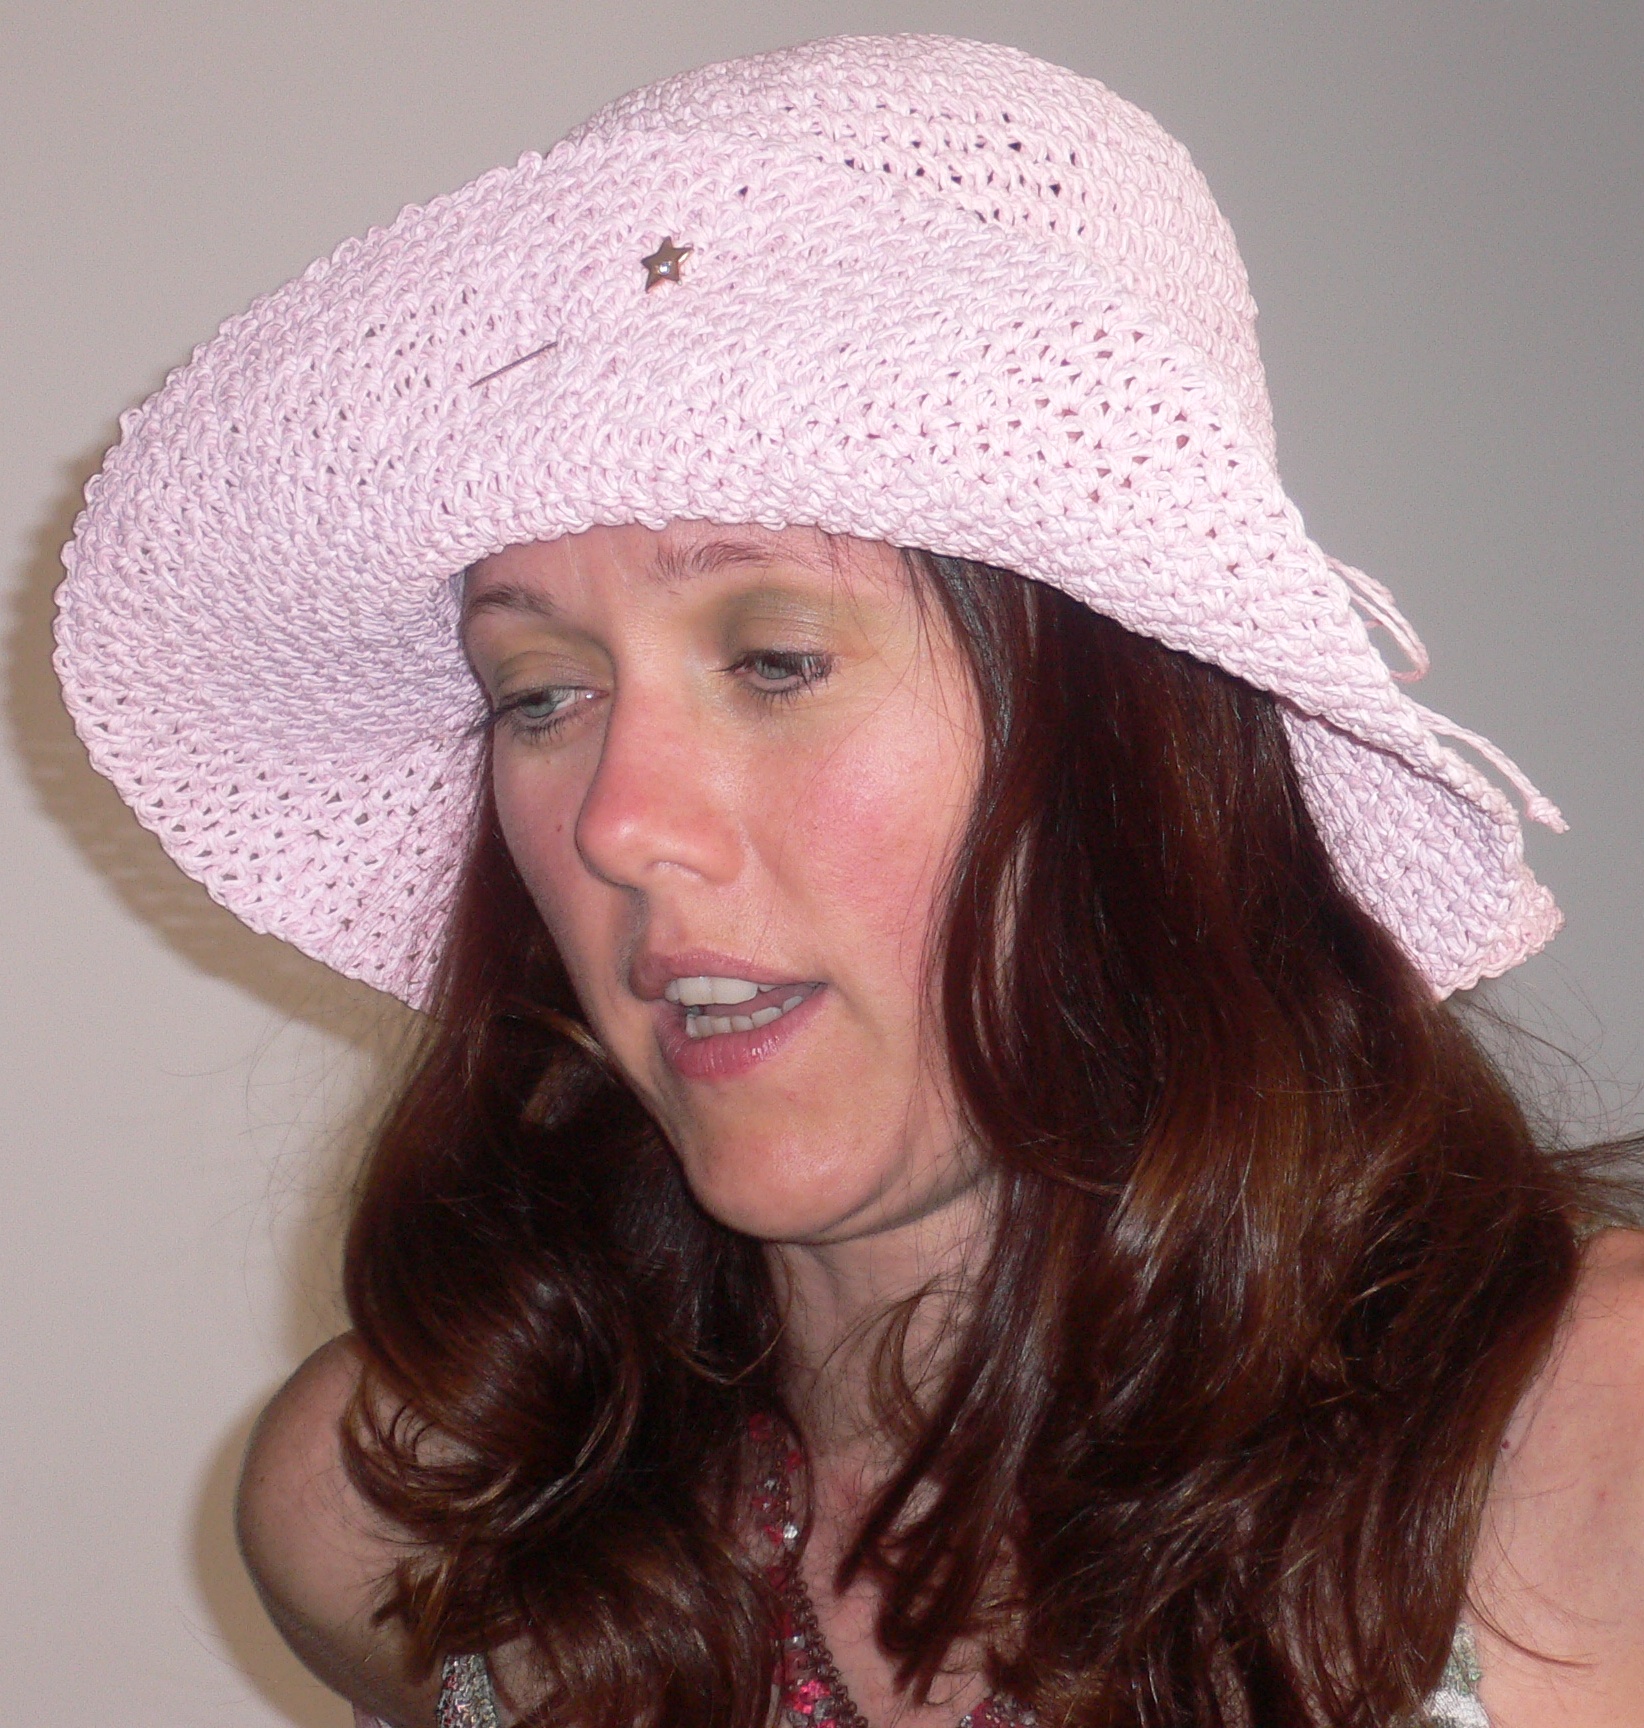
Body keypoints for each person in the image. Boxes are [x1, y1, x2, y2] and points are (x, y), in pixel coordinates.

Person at [53, 33, 1644, 1728]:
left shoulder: (1584, 1459)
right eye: (540, 694)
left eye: (777, 661)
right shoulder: (415, 1512)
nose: (618, 824)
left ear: (1132, 747)